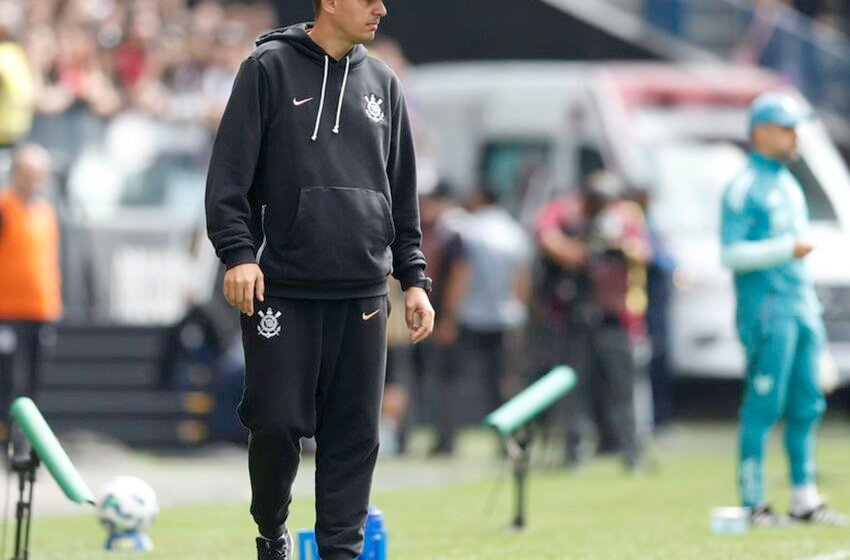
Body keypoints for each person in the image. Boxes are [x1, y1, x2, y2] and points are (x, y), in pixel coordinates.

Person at [204, 0, 435, 558]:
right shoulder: (267, 69)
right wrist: (238, 255)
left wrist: (415, 279)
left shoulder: (384, 81)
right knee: (278, 425)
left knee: (356, 438)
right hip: (281, 288)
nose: (383, 9)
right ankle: (271, 529)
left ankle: (340, 552)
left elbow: (402, 195)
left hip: (362, 292)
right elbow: (228, 179)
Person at [720, 92, 846, 527]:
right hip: (766, 310)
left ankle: (804, 497)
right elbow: (731, 254)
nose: (795, 136)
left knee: (808, 402)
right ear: (760, 133)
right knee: (763, 404)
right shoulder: (743, 187)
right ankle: (754, 502)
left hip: (798, 307)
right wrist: (784, 249)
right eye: (786, 127)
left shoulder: (789, 184)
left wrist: (813, 317)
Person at [533, 172, 651, 470]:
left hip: (614, 318)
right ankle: (574, 451)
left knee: (621, 390)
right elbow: (549, 239)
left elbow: (642, 254)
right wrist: (582, 251)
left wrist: (618, 245)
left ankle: (631, 452)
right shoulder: (569, 218)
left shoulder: (625, 222)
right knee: (575, 389)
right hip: (577, 317)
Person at [435, 187, 531, 453]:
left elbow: (461, 274)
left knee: (452, 380)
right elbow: (522, 278)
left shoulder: (468, 231)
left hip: (471, 315)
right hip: (506, 316)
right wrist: (520, 312)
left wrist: (449, 318)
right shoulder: (514, 232)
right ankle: (507, 441)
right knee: (504, 382)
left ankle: (447, 440)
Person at [0, 145, 60, 445]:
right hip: (7, 311)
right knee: (8, 381)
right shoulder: (4, 207)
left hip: (40, 310)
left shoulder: (46, 211)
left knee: (35, 382)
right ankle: (7, 441)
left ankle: (29, 444)